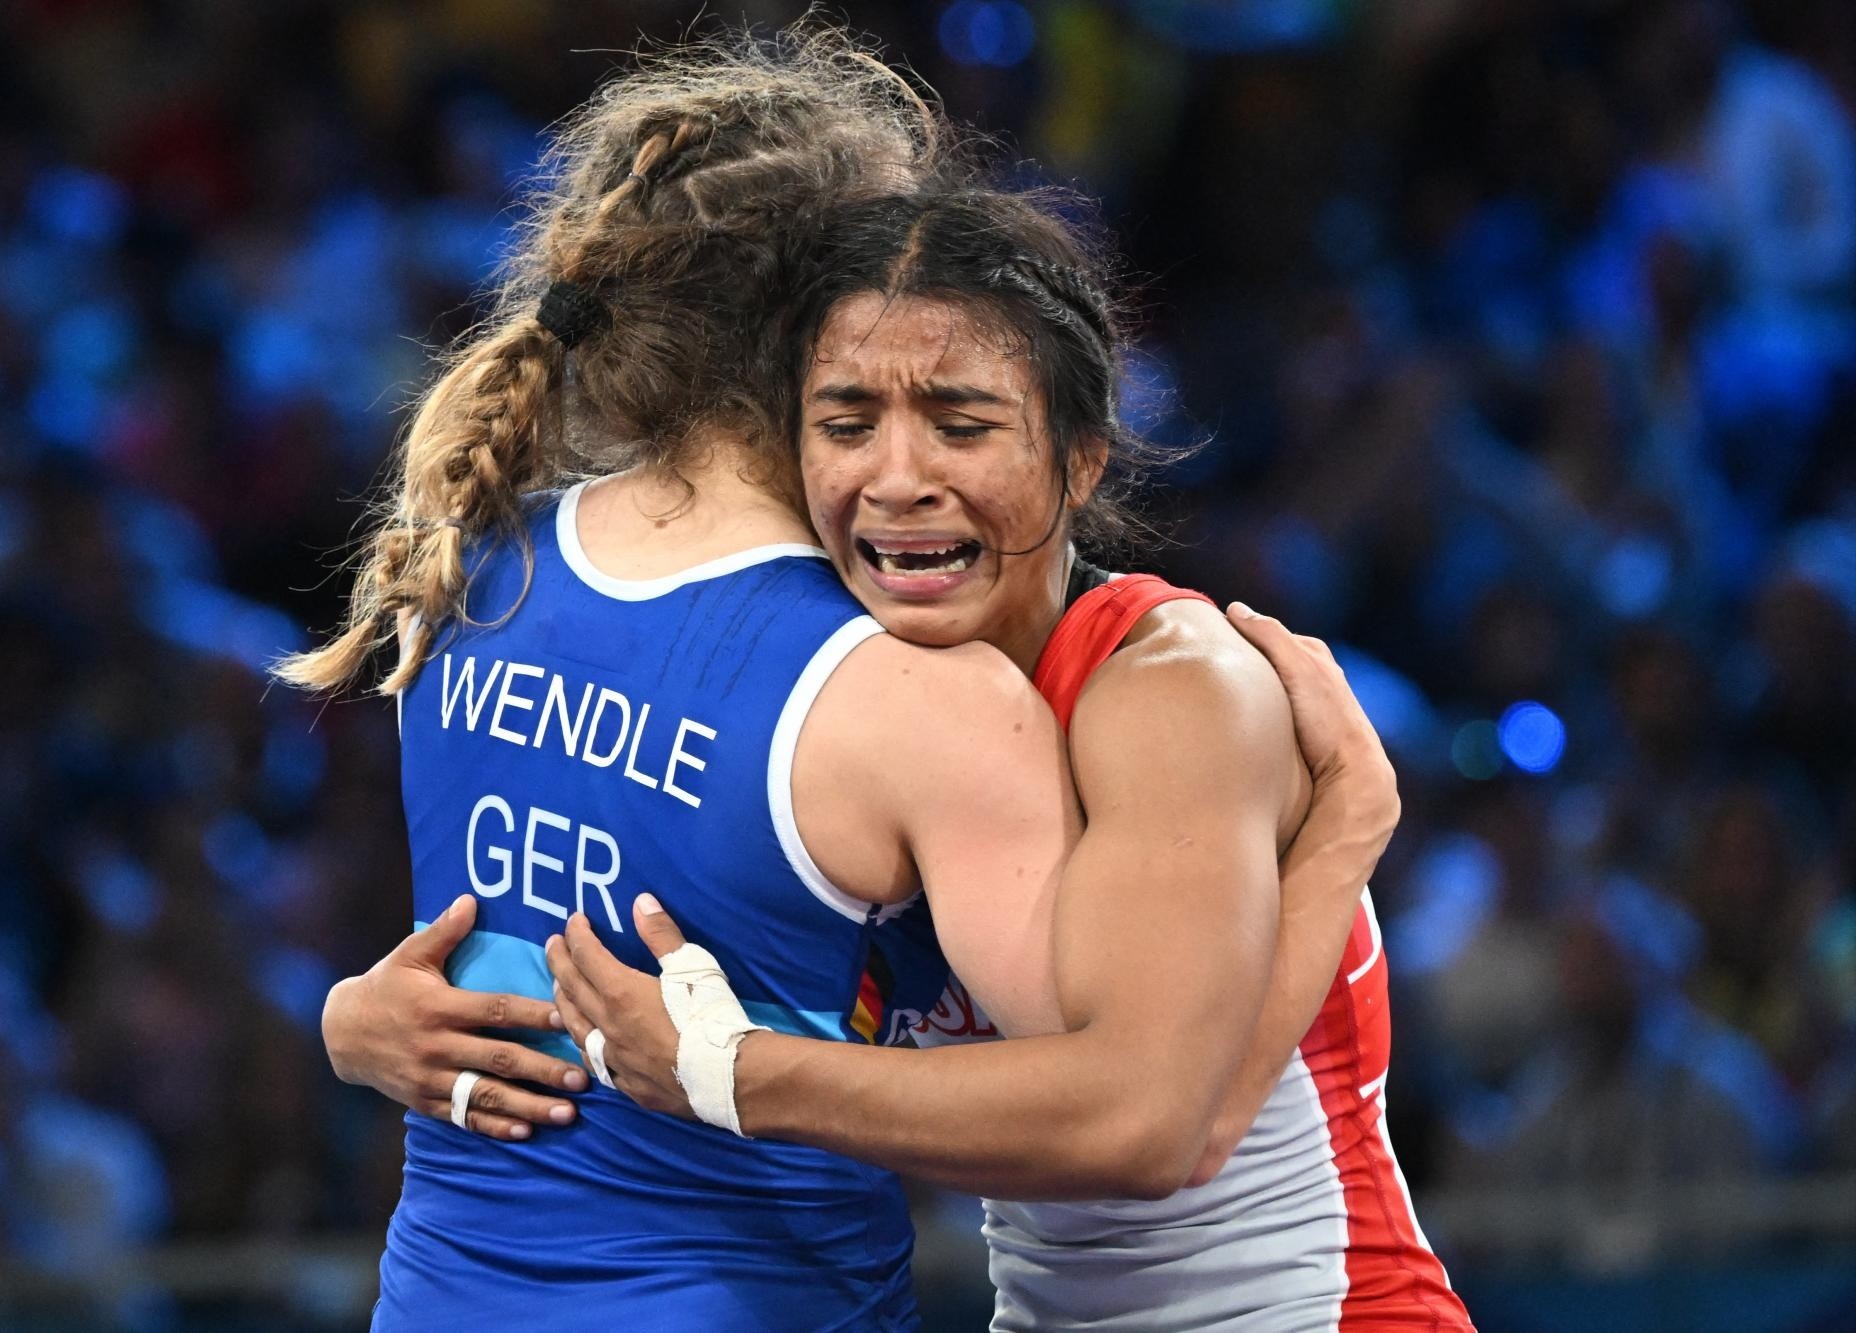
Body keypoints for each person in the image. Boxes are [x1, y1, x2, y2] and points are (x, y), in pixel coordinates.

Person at [283, 28, 1372, 1329]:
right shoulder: (912, 698)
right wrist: (1341, 843)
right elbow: (1145, 1120)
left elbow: (499, 933)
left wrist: (350, 1020)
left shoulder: (471, 559)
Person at [537, 178, 1475, 1329]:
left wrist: (733, 1072)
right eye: (845, 425)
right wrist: (374, 1021)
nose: (896, 477)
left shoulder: (1170, 687)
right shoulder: (840, 712)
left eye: (960, 424)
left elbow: (1151, 1127)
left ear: (1080, 460)